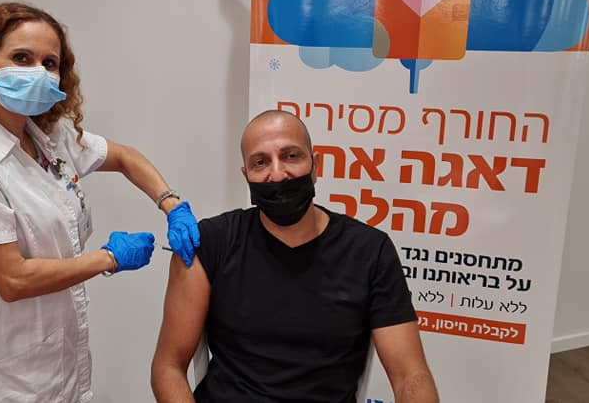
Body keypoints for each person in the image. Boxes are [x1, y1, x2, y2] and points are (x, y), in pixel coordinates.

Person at [0, 2, 200, 403]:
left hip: (59, 367)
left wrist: (171, 204)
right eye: (22, 58)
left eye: (49, 63)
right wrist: (109, 258)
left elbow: (124, 157)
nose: (38, 72)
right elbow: (13, 280)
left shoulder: (47, 135)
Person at [151, 110, 438, 403]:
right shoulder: (211, 242)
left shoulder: (369, 251)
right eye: (260, 162)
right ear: (246, 176)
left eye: (291, 156)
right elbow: (168, 367)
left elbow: (410, 375)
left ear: (315, 166)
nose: (277, 174)